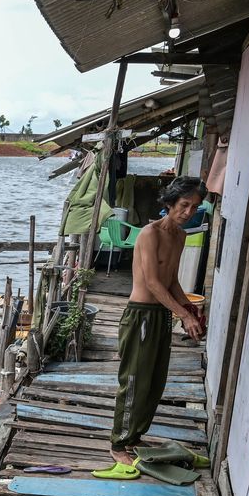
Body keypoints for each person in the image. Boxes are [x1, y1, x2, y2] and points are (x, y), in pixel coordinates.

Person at [96, 177, 207, 479]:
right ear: (170, 204)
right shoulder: (149, 233)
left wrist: (190, 307)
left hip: (161, 315)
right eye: (184, 205)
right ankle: (119, 445)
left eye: (194, 207)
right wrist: (183, 316)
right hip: (141, 315)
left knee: (155, 383)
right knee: (134, 381)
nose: (188, 212)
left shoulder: (181, 237)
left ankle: (135, 438)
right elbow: (153, 283)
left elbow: (171, 281)